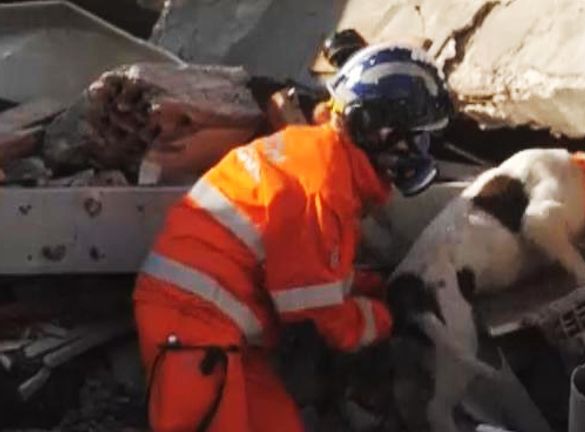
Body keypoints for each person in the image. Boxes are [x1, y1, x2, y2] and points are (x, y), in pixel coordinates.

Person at [132, 42, 454, 432]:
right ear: (378, 129)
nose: (421, 151)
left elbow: (312, 271)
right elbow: (321, 317)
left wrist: (369, 285)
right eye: (418, 138)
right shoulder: (323, 188)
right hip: (191, 327)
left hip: (217, 326)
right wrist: (388, 316)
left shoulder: (320, 161)